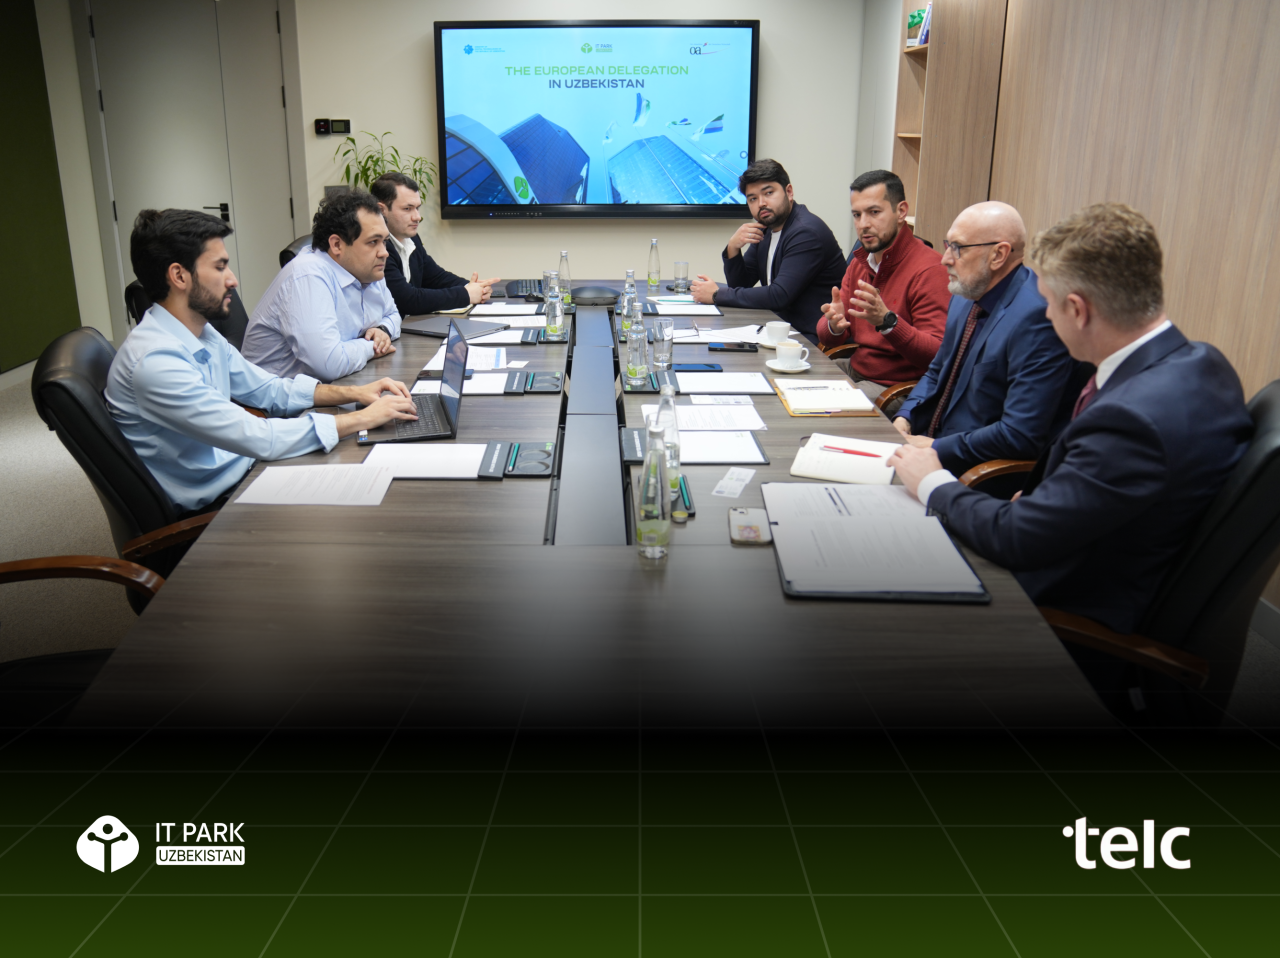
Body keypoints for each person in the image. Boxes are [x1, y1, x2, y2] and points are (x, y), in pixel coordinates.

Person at [891, 203, 1253, 635]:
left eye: (1048, 303)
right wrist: (1048, 496)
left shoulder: (1130, 421)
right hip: (1080, 539)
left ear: (1078, 310)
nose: (1044, 314)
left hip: (1061, 610)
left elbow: (1016, 540)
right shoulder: (1205, 362)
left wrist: (932, 482)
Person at [107, 209, 417, 513]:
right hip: (218, 504)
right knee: (371, 498)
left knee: (380, 470)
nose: (232, 280)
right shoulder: (155, 361)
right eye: (220, 267)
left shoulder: (200, 333)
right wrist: (362, 419)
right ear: (179, 276)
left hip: (244, 466)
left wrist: (355, 393)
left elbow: (269, 389)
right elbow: (259, 437)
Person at [890, 201, 1082, 476]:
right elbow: (937, 371)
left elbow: (1018, 435)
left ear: (998, 255)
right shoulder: (964, 294)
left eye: (958, 247)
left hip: (977, 473)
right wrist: (905, 417)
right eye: (947, 245)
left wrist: (934, 447)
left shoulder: (1038, 318)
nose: (945, 259)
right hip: (928, 449)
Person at [243, 190, 403, 382]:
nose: (384, 252)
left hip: (331, 387)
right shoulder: (308, 274)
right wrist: (370, 346)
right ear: (336, 245)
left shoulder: (368, 270)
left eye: (384, 242)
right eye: (373, 242)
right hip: (277, 397)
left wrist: (382, 331)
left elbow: (394, 315)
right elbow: (329, 364)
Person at [817, 170, 950, 398]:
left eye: (874, 212)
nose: (863, 224)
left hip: (896, 387)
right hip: (857, 369)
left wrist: (888, 323)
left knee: (821, 406)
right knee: (792, 385)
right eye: (857, 215)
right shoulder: (859, 263)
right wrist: (834, 326)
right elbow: (826, 337)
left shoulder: (931, 269)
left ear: (901, 212)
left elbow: (937, 354)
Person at [689, 158, 846, 343]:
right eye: (753, 199)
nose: (761, 203)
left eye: (768, 193)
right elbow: (742, 285)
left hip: (810, 337)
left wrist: (717, 294)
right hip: (779, 330)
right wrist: (733, 247)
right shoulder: (766, 230)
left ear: (789, 192)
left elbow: (779, 295)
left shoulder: (805, 232)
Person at [370, 172, 500, 316]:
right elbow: (408, 300)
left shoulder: (411, 239)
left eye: (417, 208)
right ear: (381, 210)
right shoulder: (377, 249)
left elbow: (436, 277)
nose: (417, 217)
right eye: (407, 209)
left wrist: (475, 287)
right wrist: (466, 294)